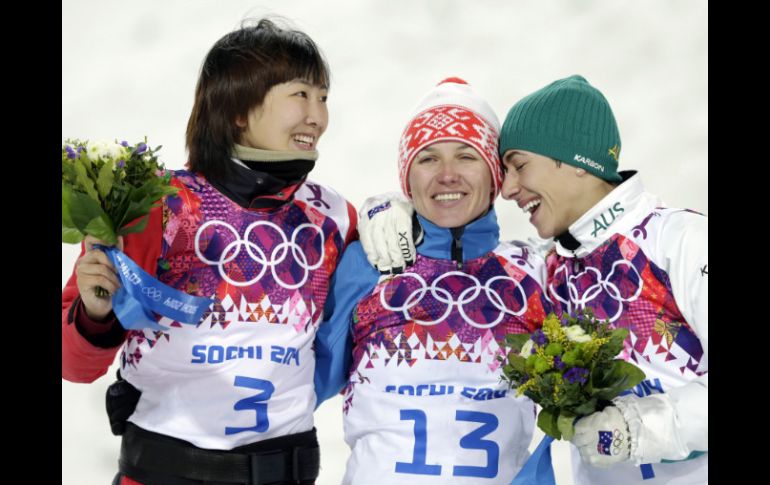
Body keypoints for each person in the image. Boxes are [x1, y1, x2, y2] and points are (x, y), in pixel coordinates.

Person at [62, 19, 359, 485]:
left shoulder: (335, 218)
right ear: (238, 108)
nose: (317, 116)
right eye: (300, 94)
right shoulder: (154, 203)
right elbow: (73, 365)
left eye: (323, 98)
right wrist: (95, 311)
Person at [314, 78, 552, 485]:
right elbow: (296, 384)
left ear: (496, 176)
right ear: (407, 180)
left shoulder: (534, 272)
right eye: (427, 159)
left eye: (466, 156)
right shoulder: (371, 262)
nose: (447, 176)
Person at [498, 74, 707, 484]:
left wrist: (639, 428)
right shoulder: (546, 272)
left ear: (576, 162)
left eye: (519, 165)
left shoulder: (679, 241)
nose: (507, 188)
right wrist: (400, 216)